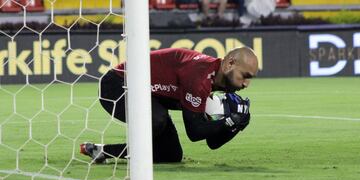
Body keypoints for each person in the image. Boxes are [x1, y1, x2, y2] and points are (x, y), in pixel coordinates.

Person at [80, 47, 259, 163]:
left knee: (170, 155)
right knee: (157, 120)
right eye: (245, 76)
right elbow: (195, 132)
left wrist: (236, 125)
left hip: (148, 95)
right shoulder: (199, 77)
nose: (246, 84)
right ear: (229, 64)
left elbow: (212, 142)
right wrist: (228, 121)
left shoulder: (212, 80)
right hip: (117, 86)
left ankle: (101, 152)